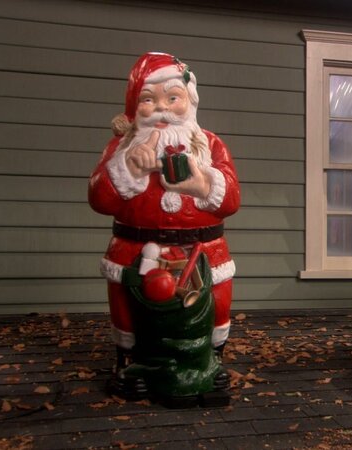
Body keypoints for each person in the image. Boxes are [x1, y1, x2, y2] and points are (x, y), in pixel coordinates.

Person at [88, 52, 240, 403]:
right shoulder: (121, 147)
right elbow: (99, 199)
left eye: (173, 97)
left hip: (203, 249)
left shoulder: (210, 145)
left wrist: (202, 184)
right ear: (134, 106)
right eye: (149, 99)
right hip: (135, 249)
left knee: (216, 306)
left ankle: (212, 359)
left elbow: (231, 199)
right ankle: (128, 362)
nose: (162, 108)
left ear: (190, 101)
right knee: (128, 309)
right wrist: (129, 168)